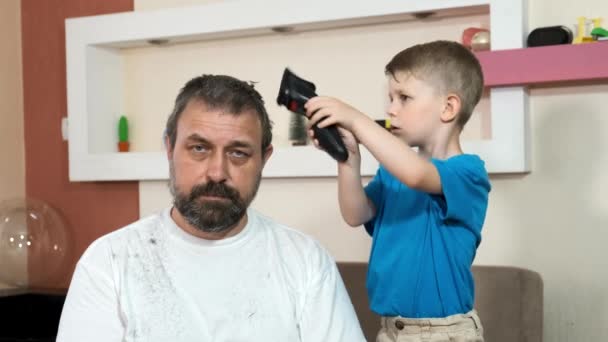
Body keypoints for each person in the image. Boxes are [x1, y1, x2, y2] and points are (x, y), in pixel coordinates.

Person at [56, 74, 366, 342]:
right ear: (169, 148)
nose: (217, 172)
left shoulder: (306, 262)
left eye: (239, 153)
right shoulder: (109, 262)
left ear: (264, 159)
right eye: (199, 149)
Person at [304, 40, 491, 342]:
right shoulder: (393, 172)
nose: (391, 109)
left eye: (404, 97)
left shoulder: (469, 173)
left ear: (448, 107)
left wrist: (354, 117)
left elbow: (418, 175)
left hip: (445, 333)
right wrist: (348, 160)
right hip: (391, 329)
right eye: (390, 98)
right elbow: (356, 214)